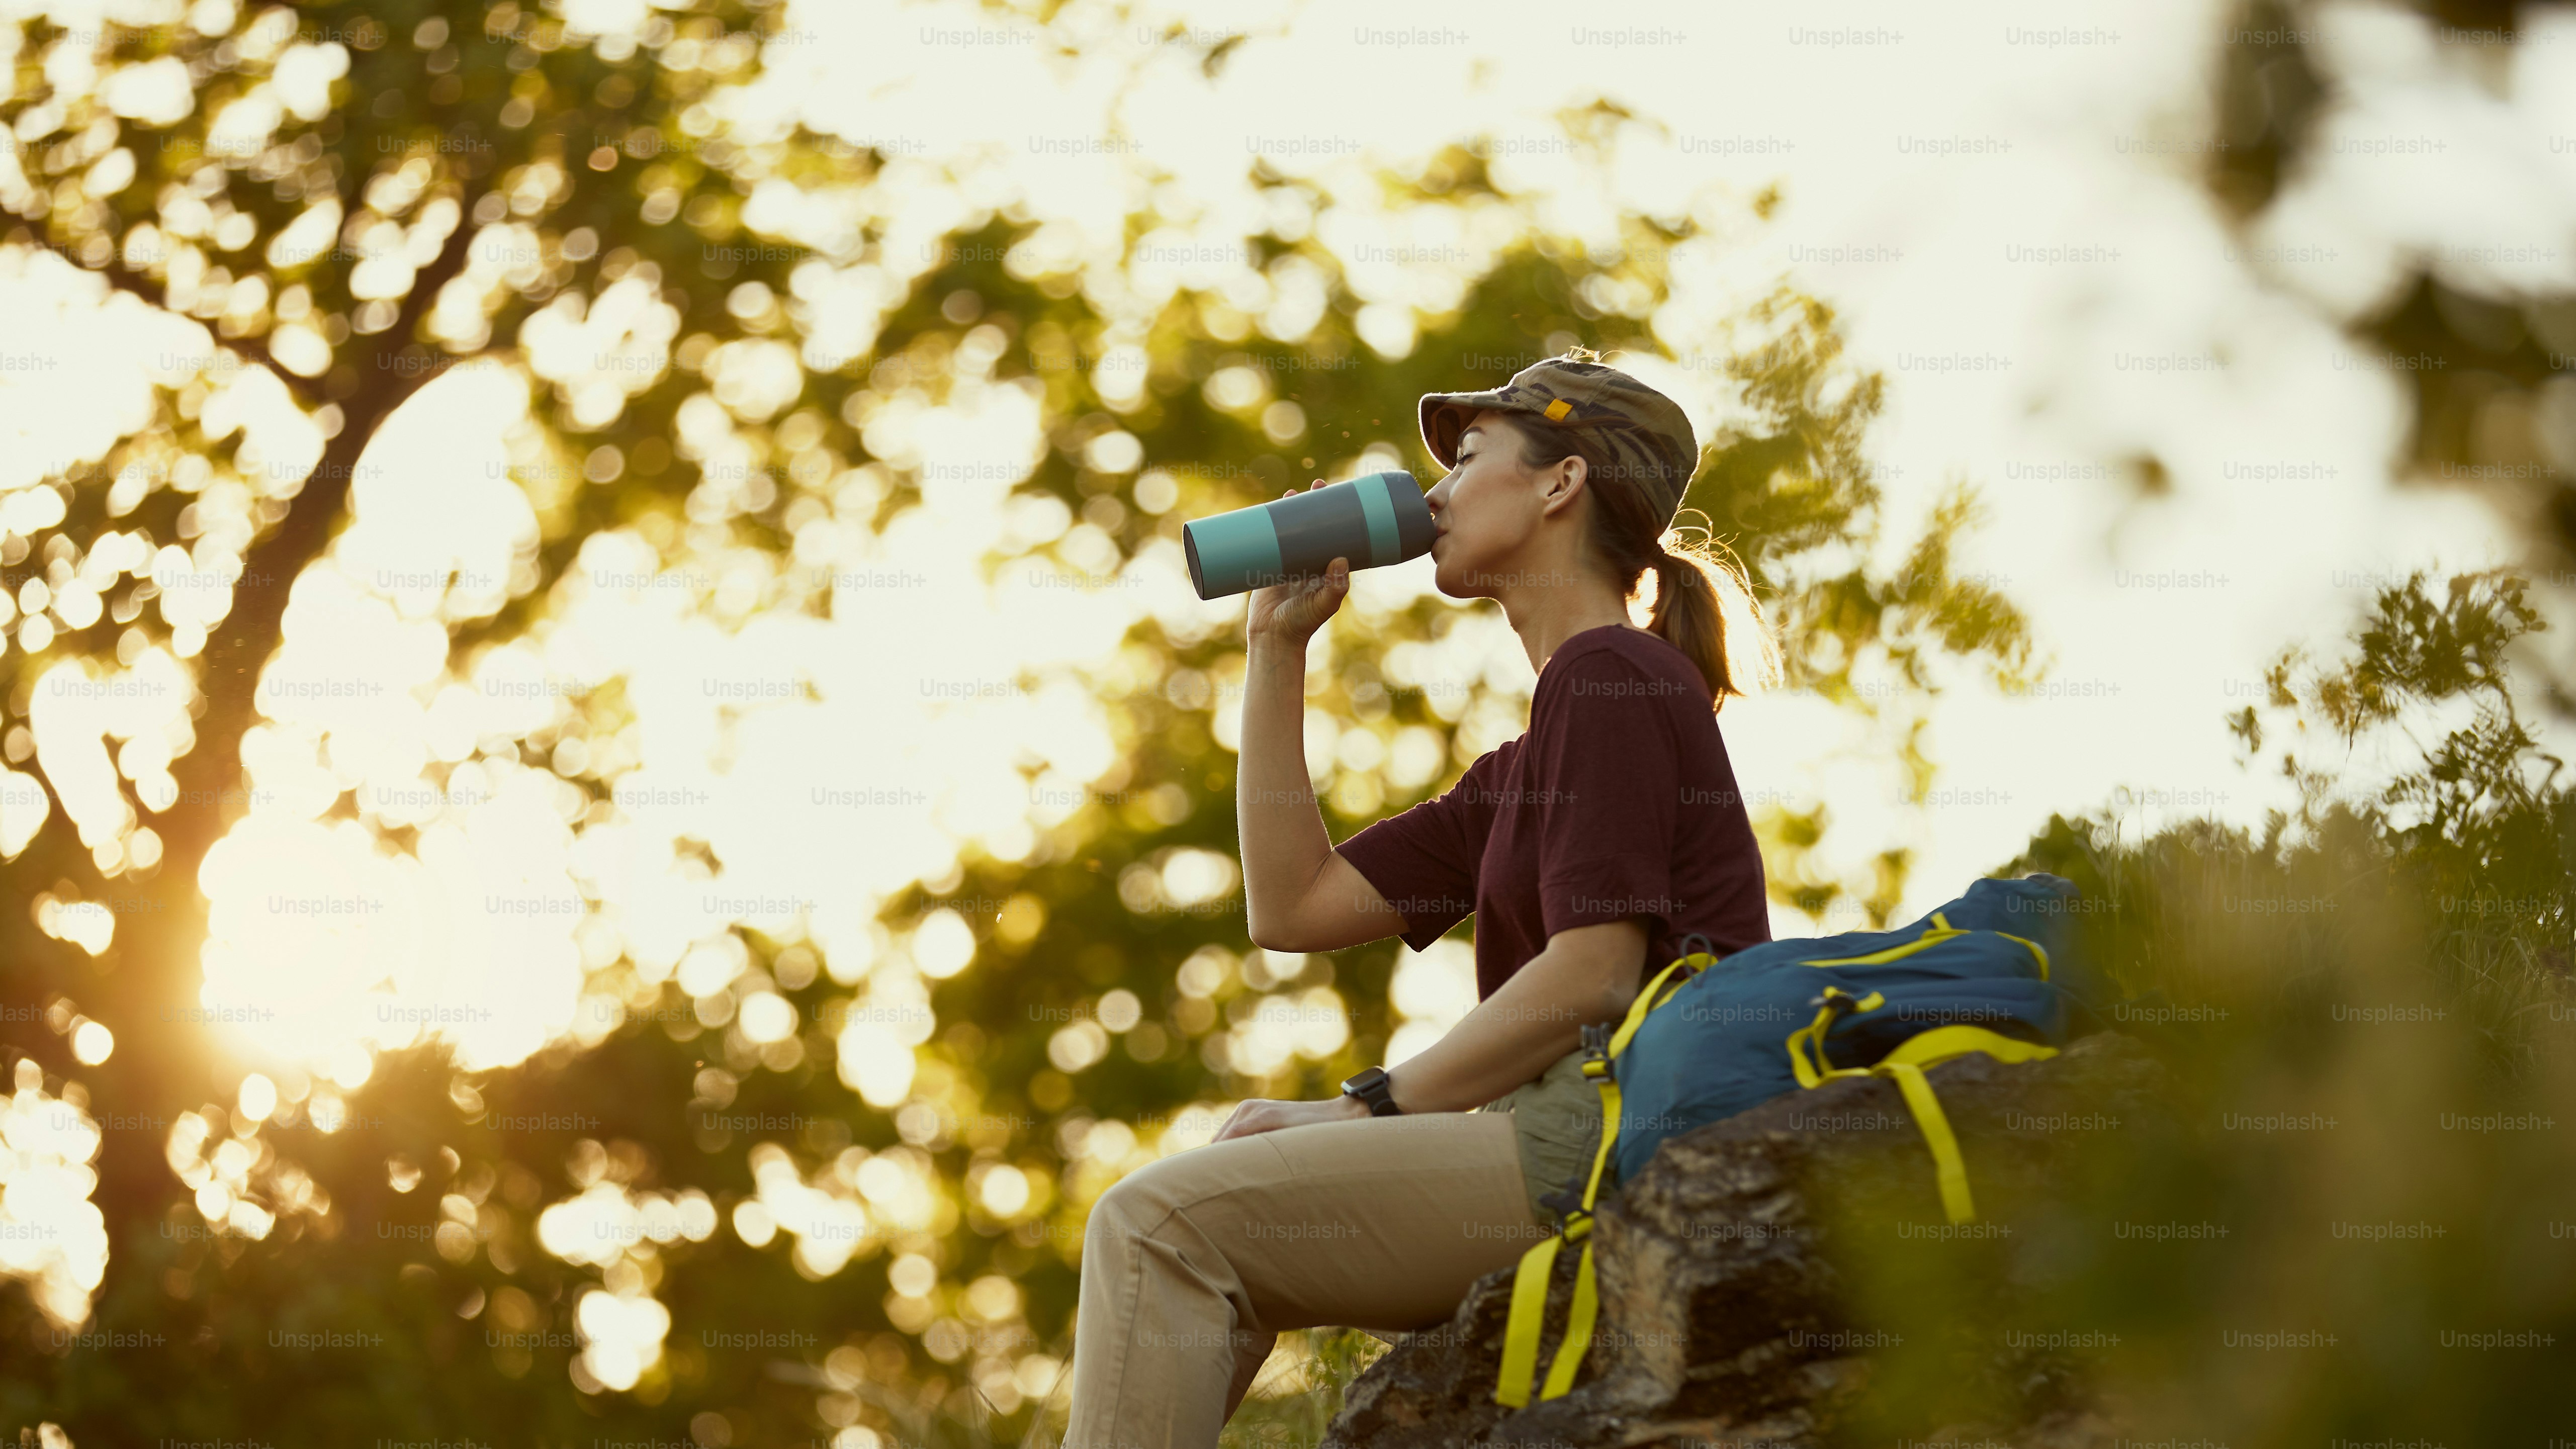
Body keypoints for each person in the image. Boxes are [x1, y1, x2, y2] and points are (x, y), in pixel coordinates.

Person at [1059, 349, 1782, 1449]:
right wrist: (1275, 649)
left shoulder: (1610, 677)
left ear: (1560, 483)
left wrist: (1368, 1106)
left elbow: (1595, 971)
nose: (1434, 490)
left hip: (1616, 1134)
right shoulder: (1533, 754)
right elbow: (1293, 909)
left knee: (1155, 1225)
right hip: (1564, 1134)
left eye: (1472, 455)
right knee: (1209, 1186)